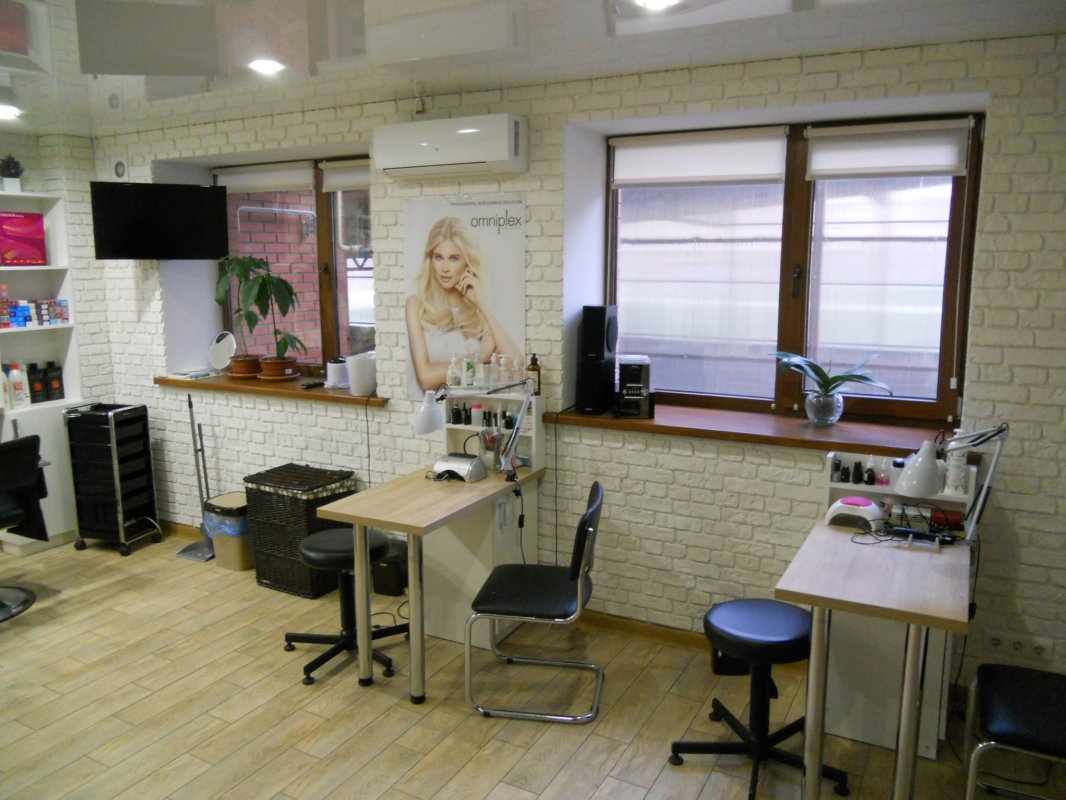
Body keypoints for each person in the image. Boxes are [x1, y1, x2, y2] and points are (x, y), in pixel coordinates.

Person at [406, 216, 521, 399]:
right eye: (438, 257)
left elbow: (517, 367)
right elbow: (425, 378)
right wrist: (479, 357)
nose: (444, 268)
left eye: (453, 258)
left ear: (467, 262)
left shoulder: (479, 310)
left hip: (467, 408)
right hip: (426, 407)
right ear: (430, 260)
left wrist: (482, 303)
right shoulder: (417, 305)